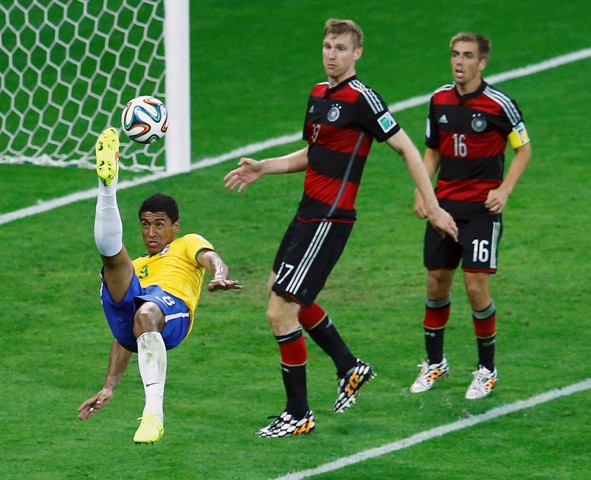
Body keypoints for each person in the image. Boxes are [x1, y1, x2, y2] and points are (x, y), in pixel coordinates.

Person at [224, 19, 458, 438]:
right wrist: (266, 167)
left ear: (356, 54)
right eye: (328, 46)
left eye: (341, 48)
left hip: (331, 218)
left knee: (280, 310)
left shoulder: (363, 99)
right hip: (307, 212)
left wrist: (434, 206)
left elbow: (405, 147)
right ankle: (350, 366)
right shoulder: (317, 94)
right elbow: (314, 153)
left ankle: (299, 414)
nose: (332, 54)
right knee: (282, 287)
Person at [78, 127, 242, 443]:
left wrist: (219, 275)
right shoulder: (138, 267)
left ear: (174, 227)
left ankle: (154, 412)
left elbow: (212, 259)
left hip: (172, 313)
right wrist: (109, 385)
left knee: (146, 311)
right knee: (113, 259)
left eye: (159, 224)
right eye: (145, 224)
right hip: (139, 312)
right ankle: (107, 185)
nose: (151, 232)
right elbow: (125, 339)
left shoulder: (187, 243)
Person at [410, 32, 532, 399]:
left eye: (467, 56)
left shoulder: (499, 105)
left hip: (481, 210)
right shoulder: (439, 100)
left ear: (482, 63)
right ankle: (435, 363)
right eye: (454, 55)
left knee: (476, 288)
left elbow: (523, 150)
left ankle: (487, 370)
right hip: (444, 207)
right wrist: (422, 189)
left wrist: (505, 189)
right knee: (436, 282)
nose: (459, 62)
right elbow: (432, 150)